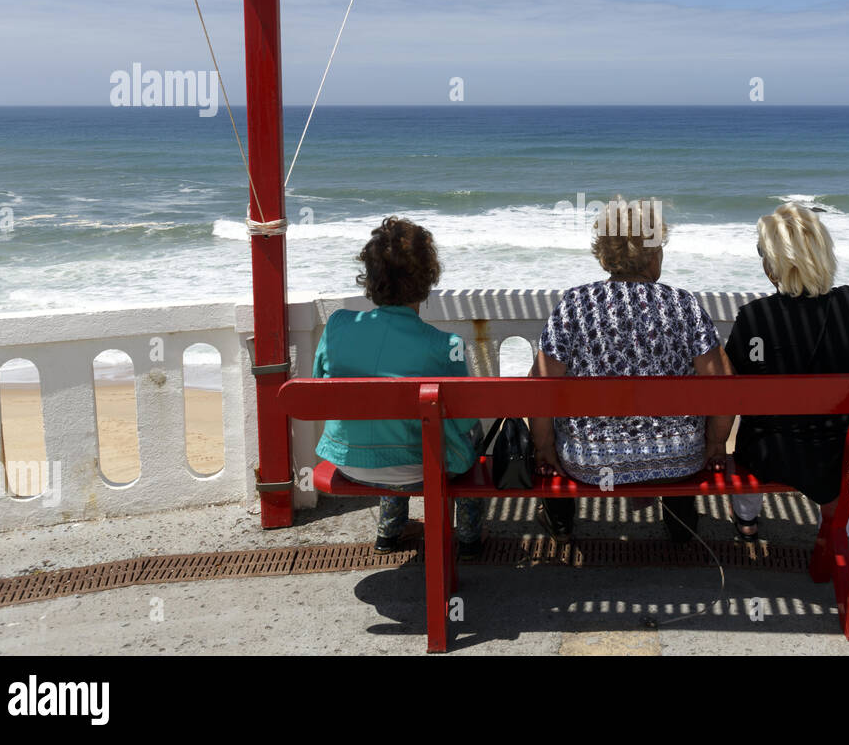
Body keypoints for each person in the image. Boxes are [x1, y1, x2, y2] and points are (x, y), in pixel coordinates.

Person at [528, 197, 733, 542]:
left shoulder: (575, 304)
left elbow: (539, 386)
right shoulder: (683, 304)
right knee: (676, 435)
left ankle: (560, 522)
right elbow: (723, 386)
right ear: (653, 255)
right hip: (679, 458)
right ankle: (681, 526)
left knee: (565, 435)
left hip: (589, 462)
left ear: (606, 254)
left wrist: (545, 447)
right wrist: (714, 444)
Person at [724, 202, 849, 541]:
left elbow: (734, 381)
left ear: (774, 265)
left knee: (748, 440)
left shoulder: (755, 318)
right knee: (834, 455)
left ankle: (747, 517)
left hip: (778, 451)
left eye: (763, 252)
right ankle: (836, 527)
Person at [312, 216, 485, 557]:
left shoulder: (338, 325)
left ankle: (388, 531)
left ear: (372, 277)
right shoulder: (444, 344)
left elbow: (320, 388)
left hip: (349, 464)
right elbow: (463, 421)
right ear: (426, 277)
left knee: (393, 426)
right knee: (466, 435)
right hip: (419, 470)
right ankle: (468, 537)